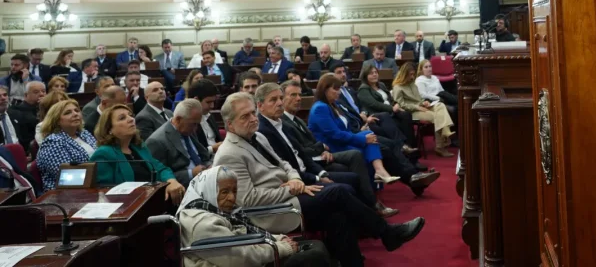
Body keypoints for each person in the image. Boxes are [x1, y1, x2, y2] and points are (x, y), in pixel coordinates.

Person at [213, 92, 425, 267]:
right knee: (339, 192)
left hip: (291, 195)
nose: (253, 118)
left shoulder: (257, 136)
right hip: (272, 211)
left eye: (252, 113)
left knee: (338, 214)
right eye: (245, 116)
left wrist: (295, 180)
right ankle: (387, 233)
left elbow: (285, 164)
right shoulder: (229, 154)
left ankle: (354, 261)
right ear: (230, 125)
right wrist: (292, 189)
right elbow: (248, 200)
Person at [176, 166, 330, 267]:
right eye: (224, 192)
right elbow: (239, 258)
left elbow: (245, 233)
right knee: (314, 256)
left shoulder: (215, 209)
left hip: (249, 254)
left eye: (234, 191)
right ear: (208, 191)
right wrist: (280, 248)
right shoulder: (202, 223)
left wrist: (277, 238)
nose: (231, 198)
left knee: (315, 248)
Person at [279, 80, 392, 215]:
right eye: (293, 95)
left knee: (370, 142)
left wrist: (321, 149)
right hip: (313, 162)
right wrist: (321, 149)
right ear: (282, 99)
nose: (298, 99)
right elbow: (301, 150)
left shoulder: (296, 119)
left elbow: (312, 141)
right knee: (357, 153)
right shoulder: (286, 121)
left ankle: (370, 202)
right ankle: (371, 204)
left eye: (299, 95)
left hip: (322, 154)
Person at [254, 84, 372, 208]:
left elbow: (302, 154)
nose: (279, 103)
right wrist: (317, 178)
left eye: (280, 98)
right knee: (345, 186)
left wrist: (321, 174)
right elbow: (287, 166)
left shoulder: (282, 123)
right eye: (273, 100)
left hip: (310, 166)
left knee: (353, 177)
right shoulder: (263, 131)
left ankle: (370, 209)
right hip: (297, 180)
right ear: (260, 106)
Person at [307, 75, 400, 185]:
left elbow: (345, 129)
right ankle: (378, 174)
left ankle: (379, 172)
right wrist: (362, 139)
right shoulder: (320, 108)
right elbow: (335, 135)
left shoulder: (333, 104)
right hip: (332, 146)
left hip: (342, 141)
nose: (339, 92)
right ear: (325, 89)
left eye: (339, 89)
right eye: (335, 89)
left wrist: (363, 136)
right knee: (368, 142)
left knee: (370, 134)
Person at [91, 103, 184, 202]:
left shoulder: (139, 147)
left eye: (131, 116)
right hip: (128, 207)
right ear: (109, 129)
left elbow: (160, 168)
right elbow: (103, 191)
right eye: (122, 118)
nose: (131, 119)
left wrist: (171, 181)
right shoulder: (103, 154)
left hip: (151, 200)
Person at [392, 62, 454, 157]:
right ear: (404, 74)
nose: (412, 77)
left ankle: (443, 137)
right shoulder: (398, 87)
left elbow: (419, 99)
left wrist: (424, 102)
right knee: (436, 116)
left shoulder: (413, 84)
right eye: (410, 74)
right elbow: (400, 104)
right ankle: (441, 145)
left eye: (413, 74)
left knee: (440, 105)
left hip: (421, 107)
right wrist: (417, 106)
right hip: (411, 112)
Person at [146, 99, 212, 187]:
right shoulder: (156, 141)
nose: (195, 128)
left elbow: (203, 156)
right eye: (193, 124)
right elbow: (159, 176)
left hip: (204, 176)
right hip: (185, 187)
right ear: (178, 119)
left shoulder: (188, 128)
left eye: (197, 124)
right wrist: (190, 173)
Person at [35, 99, 96, 191]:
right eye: (68, 113)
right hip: (64, 193)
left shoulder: (84, 134)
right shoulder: (53, 142)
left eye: (77, 110)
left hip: (92, 185)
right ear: (57, 120)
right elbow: (66, 175)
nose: (75, 114)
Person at [356, 64, 416, 146]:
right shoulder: (363, 89)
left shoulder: (381, 85)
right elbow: (375, 104)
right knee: (398, 120)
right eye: (371, 73)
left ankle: (411, 144)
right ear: (365, 76)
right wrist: (392, 108)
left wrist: (396, 104)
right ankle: (403, 145)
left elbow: (390, 98)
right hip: (379, 114)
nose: (374, 74)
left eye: (375, 72)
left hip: (390, 110)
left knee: (406, 115)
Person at [189, 79, 224, 154]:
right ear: (196, 100)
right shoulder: (188, 122)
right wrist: (212, 149)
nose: (212, 106)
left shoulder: (209, 116)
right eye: (208, 102)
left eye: (213, 102)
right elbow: (192, 153)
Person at [9, 80, 44, 152]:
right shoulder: (17, 111)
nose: (41, 94)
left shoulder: (49, 108)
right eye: (36, 92)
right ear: (26, 95)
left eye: (43, 91)